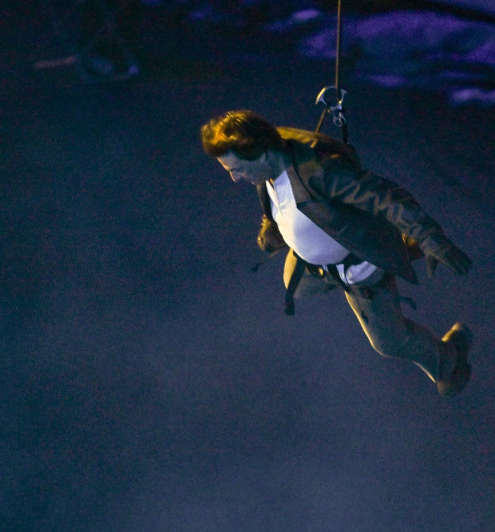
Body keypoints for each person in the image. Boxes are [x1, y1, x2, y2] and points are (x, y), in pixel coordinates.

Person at [200, 110, 475, 397]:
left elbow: (386, 197)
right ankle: (374, 253)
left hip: (357, 267)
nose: (233, 178)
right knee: (295, 284)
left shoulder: (320, 173)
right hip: (311, 264)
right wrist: (273, 225)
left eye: (236, 169)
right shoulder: (266, 163)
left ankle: (449, 358)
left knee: (388, 342)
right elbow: (275, 192)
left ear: (261, 154)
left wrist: (430, 238)